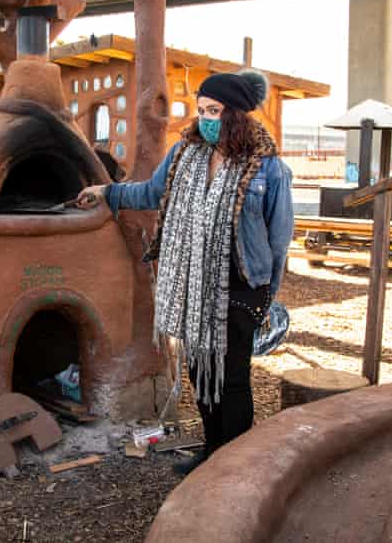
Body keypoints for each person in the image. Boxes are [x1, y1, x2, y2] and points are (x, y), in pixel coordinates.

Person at [76, 69, 294, 475]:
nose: (205, 119)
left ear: (237, 115)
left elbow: (279, 240)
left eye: (214, 111)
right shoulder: (184, 156)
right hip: (193, 287)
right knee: (200, 373)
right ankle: (212, 453)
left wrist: (269, 297)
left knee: (230, 377)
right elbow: (151, 193)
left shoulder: (268, 169)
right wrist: (107, 192)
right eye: (202, 110)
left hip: (242, 287)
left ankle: (236, 462)